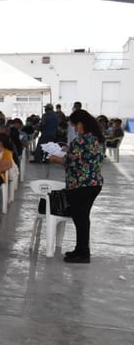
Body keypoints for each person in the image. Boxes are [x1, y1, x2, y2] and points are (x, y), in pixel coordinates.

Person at [48, 109, 104, 263]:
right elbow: (83, 157)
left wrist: (57, 159)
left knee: (81, 218)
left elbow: (73, 162)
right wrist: (68, 151)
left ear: (81, 124)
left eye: (75, 126)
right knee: (82, 218)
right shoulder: (95, 138)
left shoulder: (82, 140)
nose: (75, 129)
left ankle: (83, 253)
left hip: (82, 184)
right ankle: (80, 249)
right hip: (94, 183)